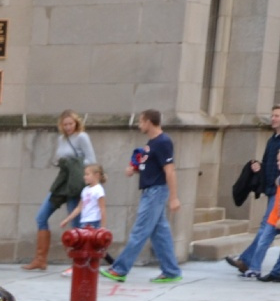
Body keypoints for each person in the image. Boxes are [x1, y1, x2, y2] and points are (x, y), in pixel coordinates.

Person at [103, 109, 182, 284]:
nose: (139, 125)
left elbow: (170, 171)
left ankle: (120, 269)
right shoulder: (151, 143)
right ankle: (171, 271)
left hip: (156, 192)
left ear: (148, 122)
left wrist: (174, 197)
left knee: (139, 231)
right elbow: (153, 169)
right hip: (150, 191)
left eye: (141, 121)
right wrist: (135, 169)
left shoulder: (163, 142)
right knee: (160, 233)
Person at [22, 111, 97, 270]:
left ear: (76, 123)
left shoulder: (82, 137)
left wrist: (74, 163)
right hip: (62, 182)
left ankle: (79, 262)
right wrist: (60, 162)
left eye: (71, 123)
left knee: (75, 222)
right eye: (65, 124)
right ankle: (40, 259)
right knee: (41, 216)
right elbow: (58, 158)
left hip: (75, 183)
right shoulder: (61, 139)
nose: (69, 127)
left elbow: (91, 160)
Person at [226, 105, 280, 277]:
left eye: (277, 116)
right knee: (267, 228)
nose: (273, 119)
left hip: (278, 190)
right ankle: (250, 263)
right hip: (272, 189)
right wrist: (259, 168)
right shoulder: (272, 140)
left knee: (267, 227)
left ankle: (250, 264)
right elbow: (269, 164)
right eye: (272, 115)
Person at [62, 164, 105, 230]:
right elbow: (79, 208)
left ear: (96, 175)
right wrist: (67, 220)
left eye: (87, 174)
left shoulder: (98, 190)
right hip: (83, 221)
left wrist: (103, 227)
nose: (84, 177)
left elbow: (102, 209)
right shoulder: (85, 190)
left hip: (94, 221)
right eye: (84, 174)